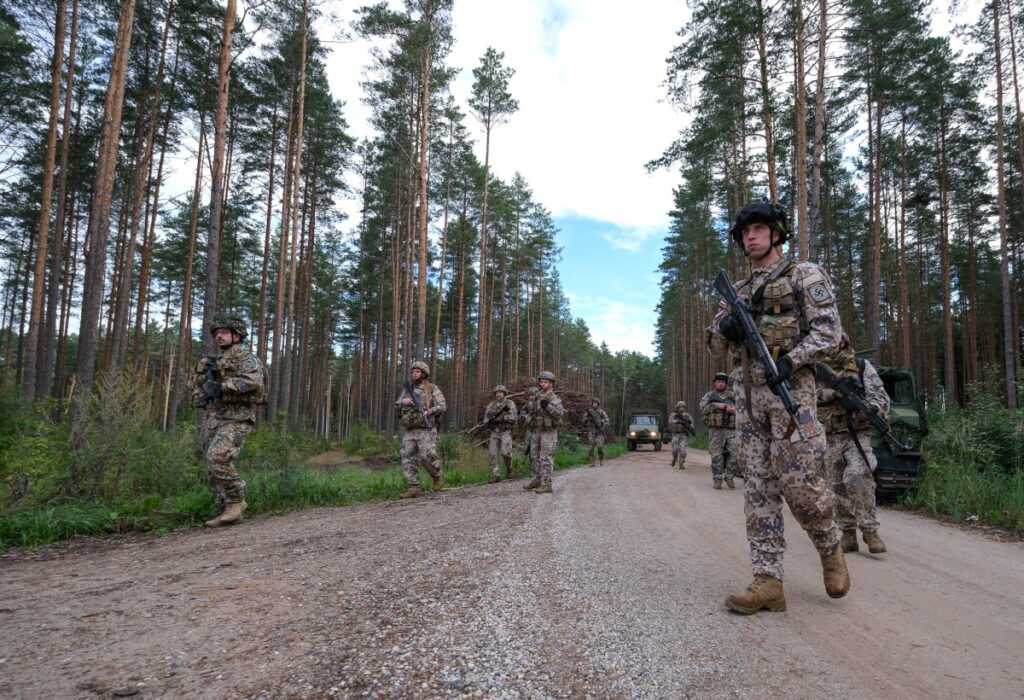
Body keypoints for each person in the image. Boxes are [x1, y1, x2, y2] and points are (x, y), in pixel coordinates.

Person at [707, 201, 848, 614]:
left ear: (775, 233)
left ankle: (830, 548)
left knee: (802, 484)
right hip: (748, 402)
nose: (750, 236)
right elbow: (715, 347)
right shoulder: (737, 290)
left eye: (758, 229)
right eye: (744, 232)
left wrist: (790, 360)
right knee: (758, 488)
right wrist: (724, 326)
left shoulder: (805, 274)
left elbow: (829, 331)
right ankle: (768, 581)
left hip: (793, 397)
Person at [191, 313, 266, 527]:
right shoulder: (211, 361)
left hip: (238, 418)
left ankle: (236, 501)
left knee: (217, 456)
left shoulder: (245, 358)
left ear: (237, 335)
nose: (219, 337)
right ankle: (226, 509)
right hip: (216, 417)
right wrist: (201, 392)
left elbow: (253, 381)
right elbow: (197, 384)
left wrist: (222, 386)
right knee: (211, 464)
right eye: (216, 333)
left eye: (224, 332)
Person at [817, 336, 890, 554]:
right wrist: (833, 394)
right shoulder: (815, 367)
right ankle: (848, 533)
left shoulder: (860, 366)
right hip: (829, 435)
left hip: (858, 434)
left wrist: (871, 408)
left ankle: (869, 531)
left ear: (844, 342)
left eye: (837, 340)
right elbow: (805, 397)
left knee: (858, 476)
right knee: (836, 484)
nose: (833, 344)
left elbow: (880, 396)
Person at [395, 361, 446, 499]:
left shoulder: (431, 388)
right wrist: (402, 402)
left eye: (417, 372)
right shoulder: (407, 389)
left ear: (423, 373)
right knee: (408, 458)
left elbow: (442, 405)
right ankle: (414, 488)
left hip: (425, 428)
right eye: (412, 372)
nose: (414, 374)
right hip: (410, 430)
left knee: (427, 455)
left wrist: (429, 411)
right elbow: (397, 405)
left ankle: (437, 476)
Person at [522, 371, 563, 494]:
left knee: (546, 457)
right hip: (537, 431)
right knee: (534, 456)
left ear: (551, 384)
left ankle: (547, 484)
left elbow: (559, 415)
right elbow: (533, 413)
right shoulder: (537, 396)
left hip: (549, 432)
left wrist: (548, 407)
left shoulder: (554, 398)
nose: (542, 384)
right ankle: (538, 479)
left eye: (545, 382)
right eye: (541, 381)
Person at [699, 373, 741, 488]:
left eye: (723, 382)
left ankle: (729, 476)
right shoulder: (709, 395)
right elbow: (702, 410)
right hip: (716, 431)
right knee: (716, 456)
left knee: (737, 454)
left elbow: (743, 409)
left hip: (731, 431)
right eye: (718, 381)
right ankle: (717, 479)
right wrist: (716, 405)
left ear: (726, 384)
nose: (720, 383)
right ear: (715, 383)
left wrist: (734, 411)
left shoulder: (732, 395)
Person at [485, 385, 518, 482]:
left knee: (505, 453)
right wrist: (488, 422)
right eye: (497, 392)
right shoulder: (491, 404)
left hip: (505, 432)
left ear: (504, 393)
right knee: (492, 454)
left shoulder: (509, 403)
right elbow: (486, 417)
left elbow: (514, 417)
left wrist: (504, 418)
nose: (498, 394)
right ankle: (496, 475)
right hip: (494, 432)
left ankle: (509, 469)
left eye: (501, 392)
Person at [667, 401, 695, 469]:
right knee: (675, 450)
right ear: (677, 407)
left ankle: (681, 463)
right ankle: (674, 459)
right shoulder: (673, 415)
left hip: (683, 435)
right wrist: (678, 421)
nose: (682, 408)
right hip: (675, 435)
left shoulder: (688, 415)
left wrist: (690, 427)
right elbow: (670, 422)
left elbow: (691, 424)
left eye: (683, 407)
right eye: (680, 407)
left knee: (683, 451)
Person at [583, 398, 610, 467]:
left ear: (598, 404)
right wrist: (588, 419)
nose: (594, 404)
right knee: (590, 448)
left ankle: (601, 459)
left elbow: (607, 420)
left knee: (600, 447)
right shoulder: (588, 412)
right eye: (593, 403)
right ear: (592, 404)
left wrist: (602, 424)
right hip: (591, 431)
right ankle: (592, 462)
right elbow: (583, 421)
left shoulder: (601, 412)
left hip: (599, 431)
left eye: (596, 403)